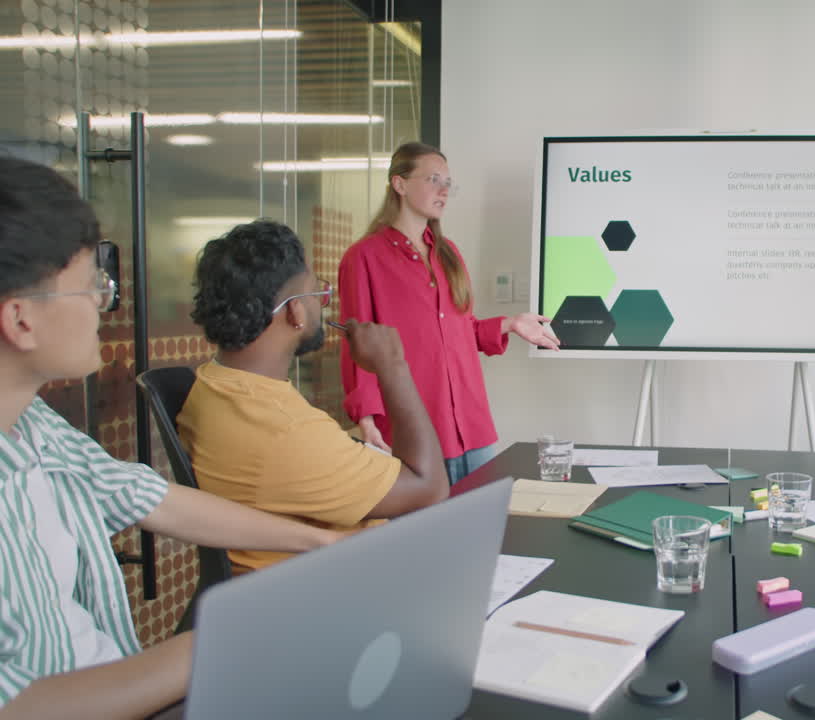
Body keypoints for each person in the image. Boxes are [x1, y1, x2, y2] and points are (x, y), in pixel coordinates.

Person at [0, 156, 351, 717]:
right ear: (20, 320)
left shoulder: (34, 427)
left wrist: (320, 545)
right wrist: (252, 629)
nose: (102, 303)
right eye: (92, 287)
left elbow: (149, 497)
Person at [179, 219, 450, 572]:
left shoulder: (214, 383)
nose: (322, 304)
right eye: (316, 292)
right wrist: (392, 366)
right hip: (320, 591)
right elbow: (430, 489)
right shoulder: (285, 430)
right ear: (294, 311)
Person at [338, 142, 560, 484]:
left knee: (485, 526)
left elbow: (460, 331)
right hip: (413, 429)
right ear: (399, 184)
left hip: (471, 426)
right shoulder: (364, 258)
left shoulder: (448, 253)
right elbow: (359, 347)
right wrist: (365, 416)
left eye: (448, 183)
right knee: (429, 533)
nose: (444, 191)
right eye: (433, 180)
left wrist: (511, 323)